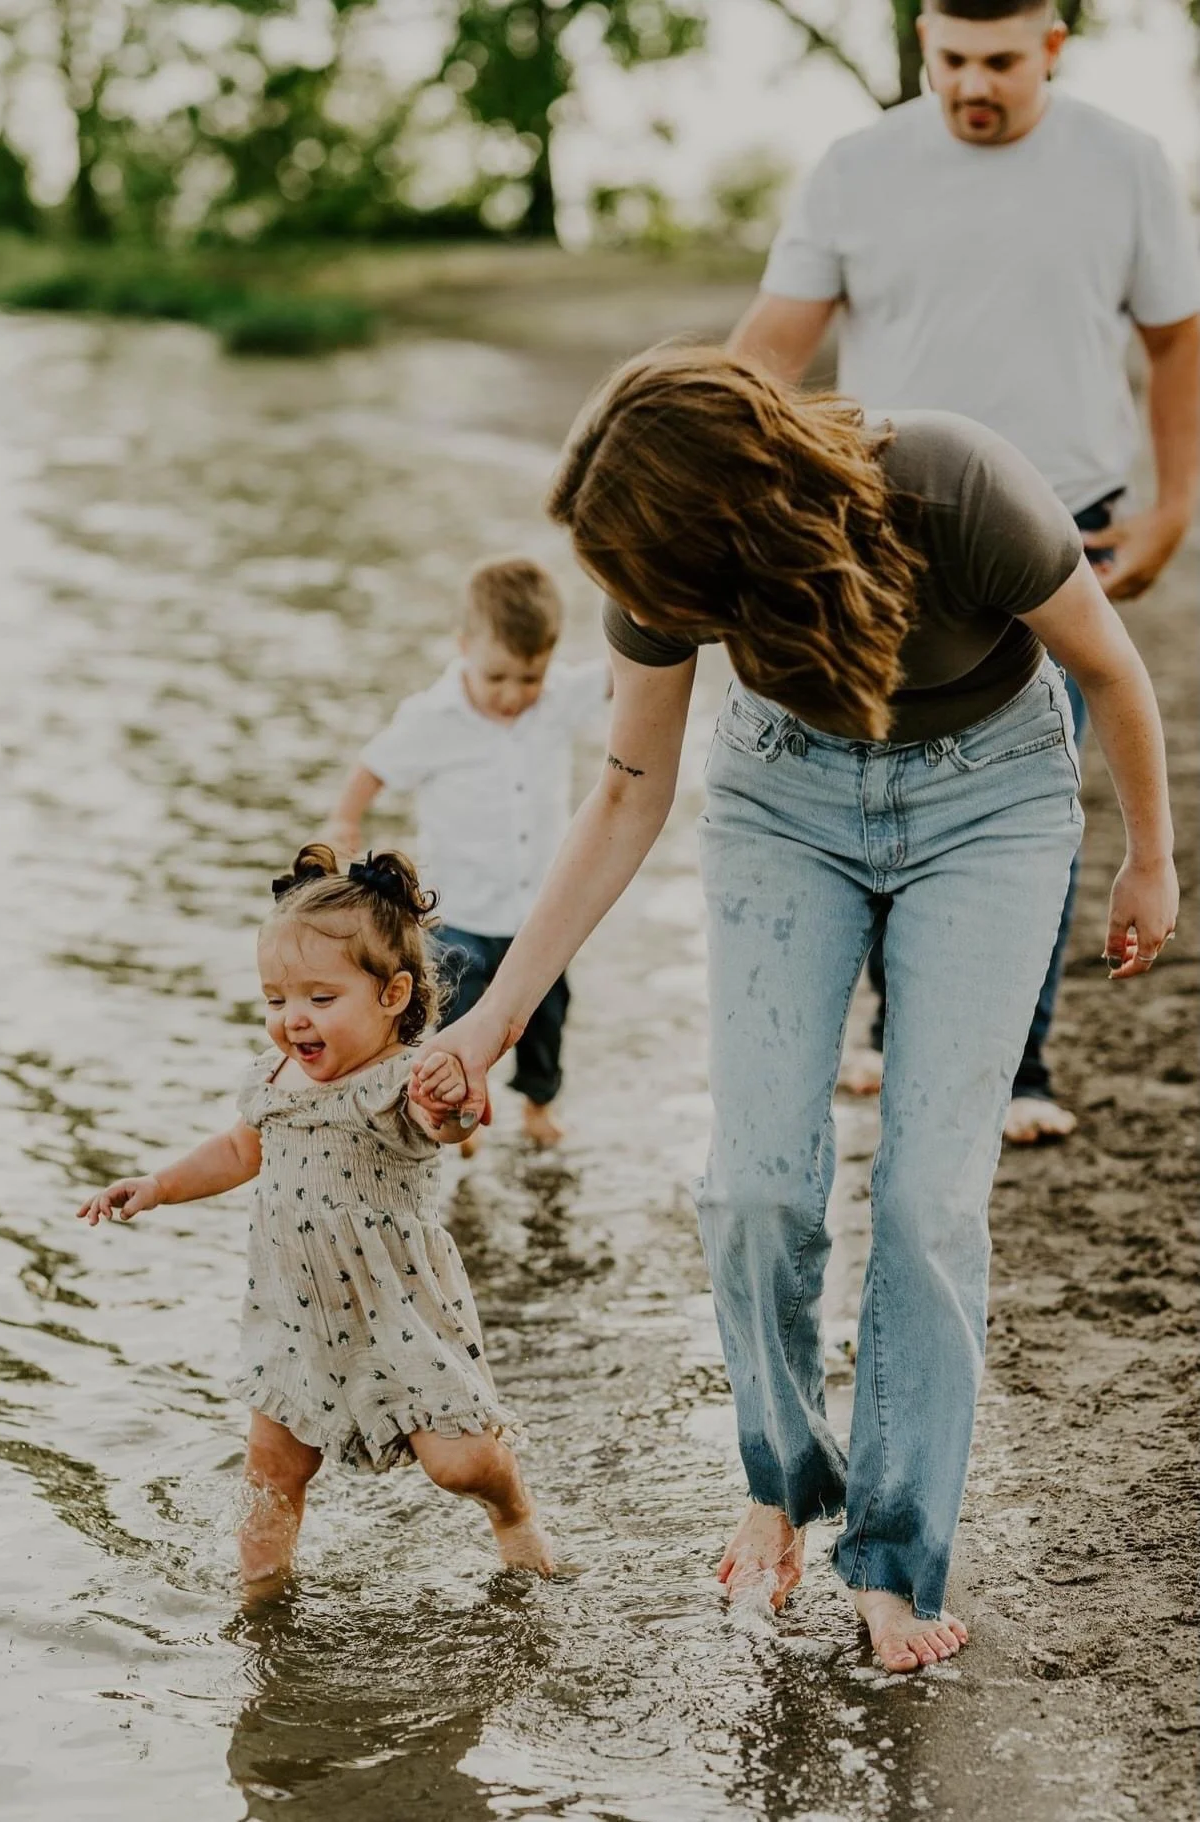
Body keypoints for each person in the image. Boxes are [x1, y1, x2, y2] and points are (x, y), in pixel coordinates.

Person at [410, 347, 1177, 1673]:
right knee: (755, 1184)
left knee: (926, 1202)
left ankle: (891, 1559)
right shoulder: (653, 574)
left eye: (656, 581)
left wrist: (1148, 857)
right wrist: (489, 1020)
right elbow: (624, 794)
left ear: (735, 524)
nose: (640, 608)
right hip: (782, 801)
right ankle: (781, 1480)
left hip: (988, 801)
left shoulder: (952, 484)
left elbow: (1108, 669)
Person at [727, 0, 1200, 1143]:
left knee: (1029, 785)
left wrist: (1174, 505)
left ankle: (1013, 1068)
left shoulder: (1125, 163)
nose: (970, 85)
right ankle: (895, 1028)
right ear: (923, 47)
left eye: (998, 62)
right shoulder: (855, 168)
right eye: (949, 60)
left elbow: (1175, 337)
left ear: (1051, 46)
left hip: (1063, 523)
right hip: (885, 521)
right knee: (886, 761)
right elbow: (766, 348)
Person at [77, 844, 553, 1593]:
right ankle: (260, 1604)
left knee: (458, 1464)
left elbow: (446, 1124)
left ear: (393, 995)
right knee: (273, 1472)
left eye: (320, 999)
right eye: (276, 1001)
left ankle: (511, 1508)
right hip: (294, 1309)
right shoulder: (276, 1078)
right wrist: (159, 1185)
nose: (292, 1019)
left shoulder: (402, 1081)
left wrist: (453, 1103)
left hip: (396, 1306)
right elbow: (240, 1150)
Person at [325, 556, 609, 1151]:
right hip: (460, 912)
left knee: (547, 1016)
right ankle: (457, 1111)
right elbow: (373, 766)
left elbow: (621, 673)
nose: (512, 694)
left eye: (529, 678)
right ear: (464, 649)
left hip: (539, 914)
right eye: (497, 676)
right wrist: (344, 819)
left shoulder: (558, 698)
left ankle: (539, 1104)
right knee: (454, 1015)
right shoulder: (434, 717)